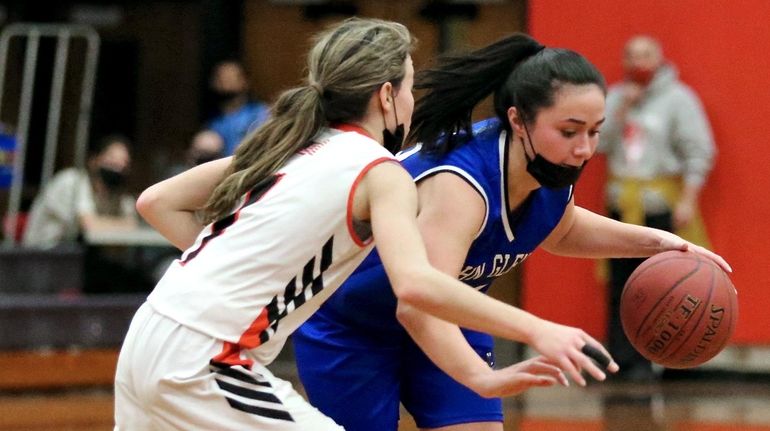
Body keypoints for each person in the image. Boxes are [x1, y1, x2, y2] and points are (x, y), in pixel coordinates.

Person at [115, 18, 607, 431]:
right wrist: (540, 329)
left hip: (147, 336)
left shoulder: (292, 145)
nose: (414, 101)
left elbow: (156, 201)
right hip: (209, 357)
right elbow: (416, 285)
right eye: (411, 86)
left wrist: (252, 275)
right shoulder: (379, 171)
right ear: (388, 95)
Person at [291, 34, 730, 430]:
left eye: (595, 132)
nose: (585, 149)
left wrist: (660, 243)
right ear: (518, 121)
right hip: (354, 326)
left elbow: (562, 229)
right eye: (570, 131)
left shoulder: (552, 160)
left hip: (449, 316)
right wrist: (483, 375)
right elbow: (418, 302)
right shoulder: (461, 185)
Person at [598, 35, 716, 381]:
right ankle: (621, 360)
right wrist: (619, 110)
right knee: (620, 284)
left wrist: (688, 198)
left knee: (661, 285)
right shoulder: (616, 96)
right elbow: (596, 143)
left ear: (660, 58)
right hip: (622, 203)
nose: (639, 62)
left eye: (646, 55)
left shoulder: (679, 99)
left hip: (659, 203)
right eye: (631, 55)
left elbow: (699, 151)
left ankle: (660, 357)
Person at [22, 134, 137, 249]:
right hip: (41, 252)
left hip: (72, 252)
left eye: (124, 163)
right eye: (111, 159)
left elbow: (131, 223)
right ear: (94, 161)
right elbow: (90, 225)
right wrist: (118, 224)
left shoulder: (115, 193)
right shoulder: (72, 181)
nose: (117, 167)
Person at [208, 59, 270, 155]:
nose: (225, 83)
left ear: (244, 81)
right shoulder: (214, 120)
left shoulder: (260, 113)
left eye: (230, 78)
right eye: (220, 78)